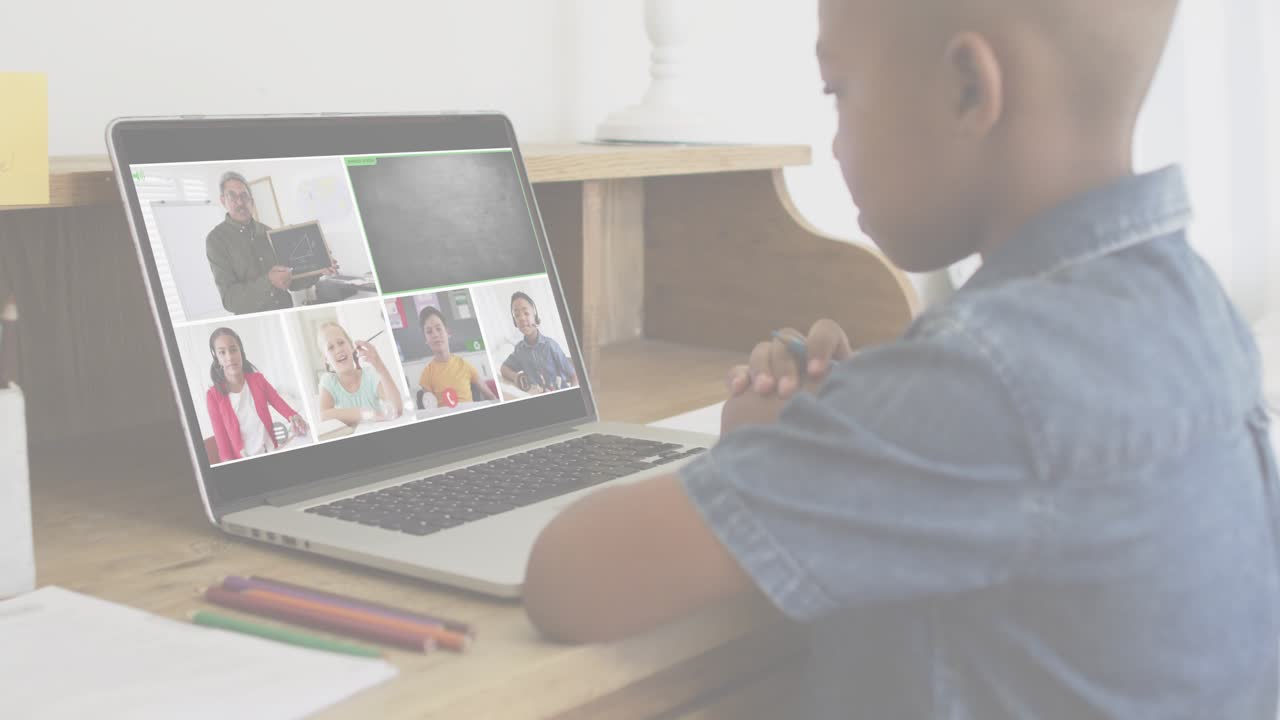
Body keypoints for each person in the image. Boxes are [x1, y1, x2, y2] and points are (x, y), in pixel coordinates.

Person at [523, 1, 1280, 718]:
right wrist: (859, 419)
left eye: (839, 91)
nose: (835, 143)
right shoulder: (1192, 309)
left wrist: (778, 444)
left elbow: (571, 577)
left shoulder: (986, 380)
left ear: (967, 88)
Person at [205, 171, 335, 315]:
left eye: (244, 196)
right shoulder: (216, 240)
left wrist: (318, 269)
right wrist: (269, 281)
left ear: (251, 201)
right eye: (232, 196)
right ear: (223, 201)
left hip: (287, 311)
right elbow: (231, 301)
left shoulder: (268, 232)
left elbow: (292, 282)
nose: (240, 202)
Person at [204, 327, 308, 463]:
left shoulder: (258, 380)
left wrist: (294, 417)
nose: (229, 357)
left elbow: (278, 402)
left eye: (233, 350)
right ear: (217, 358)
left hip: (271, 451)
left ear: (241, 351)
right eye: (222, 353)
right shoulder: (213, 396)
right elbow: (223, 447)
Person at [316, 321, 404, 427]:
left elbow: (397, 409)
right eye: (330, 347)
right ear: (326, 359)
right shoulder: (328, 381)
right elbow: (324, 415)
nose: (338, 350)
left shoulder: (370, 375)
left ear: (351, 347)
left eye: (341, 343)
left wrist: (379, 365)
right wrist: (367, 414)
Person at [418, 306, 499, 406]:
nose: (435, 334)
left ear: (447, 333)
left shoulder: (465, 365)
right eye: (429, 332)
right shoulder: (426, 374)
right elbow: (430, 410)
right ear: (426, 339)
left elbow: (491, 397)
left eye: (438, 329)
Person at [499, 292, 577, 394]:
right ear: (515, 322)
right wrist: (515, 377)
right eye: (517, 315)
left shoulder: (550, 345)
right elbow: (503, 368)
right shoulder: (519, 350)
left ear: (535, 317)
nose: (521, 318)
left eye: (526, 313)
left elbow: (574, 376)